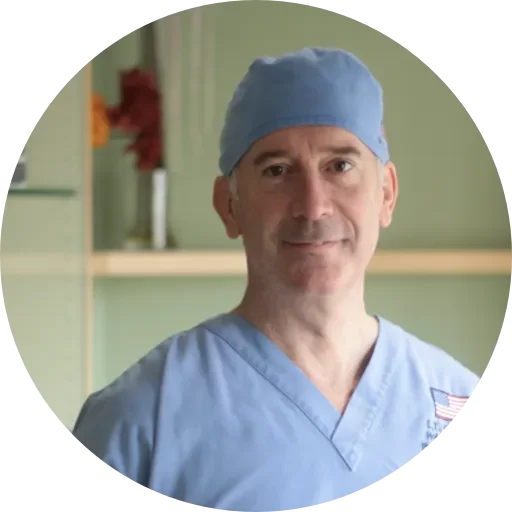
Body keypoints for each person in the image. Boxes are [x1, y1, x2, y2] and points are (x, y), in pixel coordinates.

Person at [72, 47, 479, 508]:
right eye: (277, 171)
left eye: (340, 166)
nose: (313, 206)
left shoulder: (451, 396)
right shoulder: (143, 419)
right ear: (229, 206)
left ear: (386, 194)